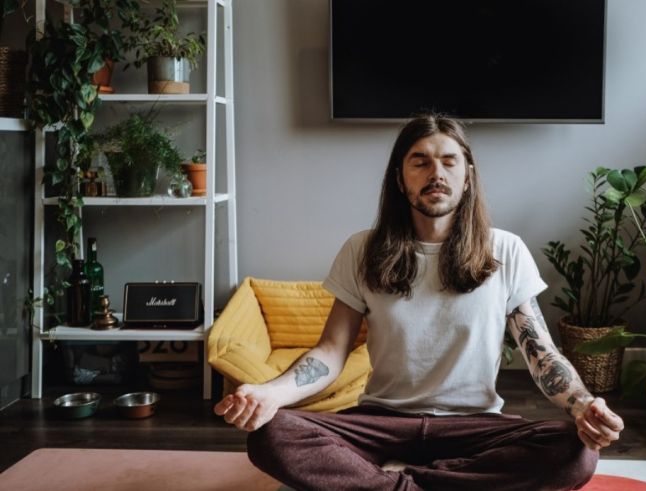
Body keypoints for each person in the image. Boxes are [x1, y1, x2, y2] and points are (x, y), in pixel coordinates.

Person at [214, 114, 624, 490]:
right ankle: (437, 484)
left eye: (449, 161)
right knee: (271, 434)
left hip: (474, 427)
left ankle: (398, 483)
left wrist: (584, 406)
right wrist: (271, 394)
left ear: (468, 176)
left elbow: (543, 356)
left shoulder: (505, 249)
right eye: (420, 162)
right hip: (380, 422)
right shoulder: (362, 249)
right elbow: (330, 352)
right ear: (400, 178)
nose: (436, 173)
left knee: (576, 449)